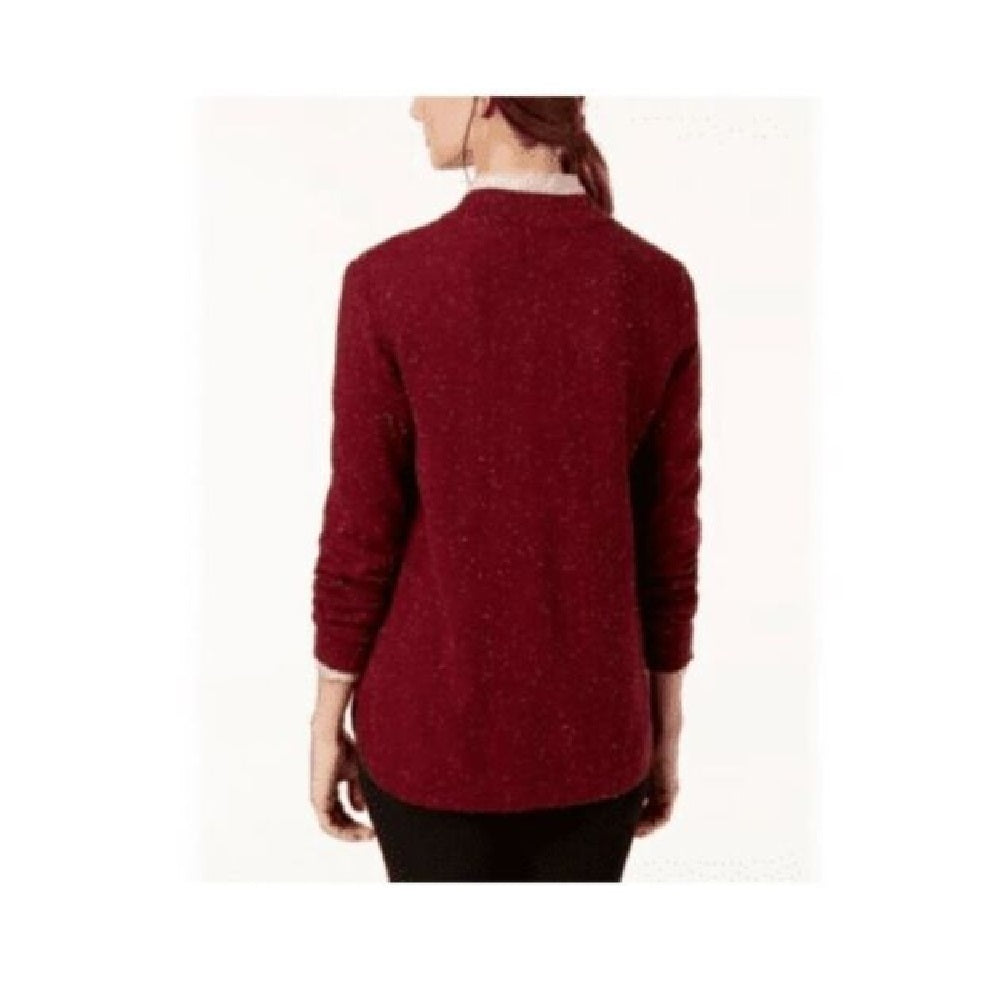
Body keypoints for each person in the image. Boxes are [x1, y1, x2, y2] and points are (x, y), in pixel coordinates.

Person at [308, 97, 701, 881]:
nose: (415, 104)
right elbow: (668, 536)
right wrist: (665, 724)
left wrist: (326, 718)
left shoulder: (387, 282)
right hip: (597, 743)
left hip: (429, 744)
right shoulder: (657, 284)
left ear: (486, 93)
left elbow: (362, 525)